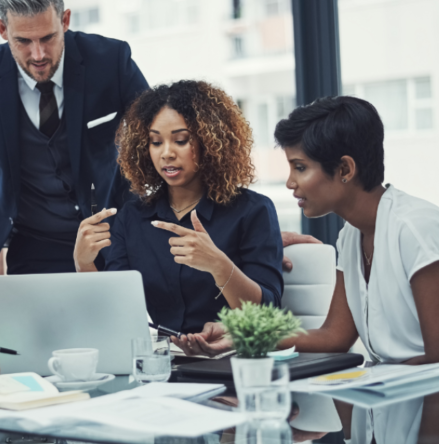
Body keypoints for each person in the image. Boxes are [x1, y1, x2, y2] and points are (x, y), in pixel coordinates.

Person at [173, 96, 439, 363]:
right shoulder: (352, 235)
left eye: (300, 167)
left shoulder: (418, 229)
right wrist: (242, 336)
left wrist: (370, 380)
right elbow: (334, 336)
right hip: (400, 403)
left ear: (345, 170)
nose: (290, 182)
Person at [0, 0, 149, 275]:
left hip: (109, 236)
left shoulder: (111, 60)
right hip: (31, 245)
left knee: (114, 318)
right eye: (24, 41)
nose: (38, 54)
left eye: (48, 38)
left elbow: (155, 134)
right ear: (2, 29)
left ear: (64, 21)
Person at [73, 80, 284, 334]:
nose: (166, 153)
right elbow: (115, 315)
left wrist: (219, 265)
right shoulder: (132, 217)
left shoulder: (253, 211)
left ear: (210, 141)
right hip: (161, 364)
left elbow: (268, 317)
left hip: (231, 361)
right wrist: (84, 264)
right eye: (155, 142)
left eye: (181, 140)